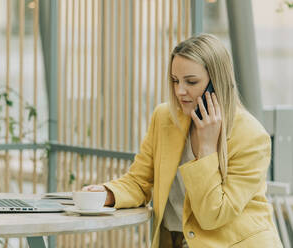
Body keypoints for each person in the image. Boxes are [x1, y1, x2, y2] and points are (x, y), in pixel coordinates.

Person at [82, 34, 283, 248]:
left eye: (191, 82)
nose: (179, 91)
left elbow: (213, 215)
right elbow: (140, 181)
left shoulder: (251, 136)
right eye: (175, 80)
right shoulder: (164, 118)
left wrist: (206, 148)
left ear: (217, 83)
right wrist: (108, 194)